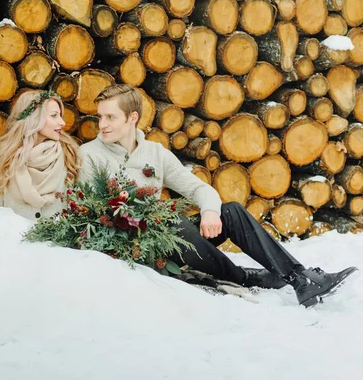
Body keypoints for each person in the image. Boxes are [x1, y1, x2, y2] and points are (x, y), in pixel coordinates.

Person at [78, 84, 357, 308]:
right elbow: (93, 214)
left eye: (110, 117)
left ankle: (300, 279)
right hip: (138, 246)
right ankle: (243, 276)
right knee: (172, 223)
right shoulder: (89, 155)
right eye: (100, 116)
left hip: (172, 233)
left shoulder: (155, 153)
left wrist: (211, 211)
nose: (102, 124)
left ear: (132, 118)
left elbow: (199, 188)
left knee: (232, 211)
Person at [0, 89, 80, 221]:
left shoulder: (70, 155)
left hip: (56, 240)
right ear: (33, 118)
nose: (62, 122)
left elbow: (80, 207)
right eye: (54, 115)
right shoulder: (2, 160)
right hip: (15, 239)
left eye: (60, 115)